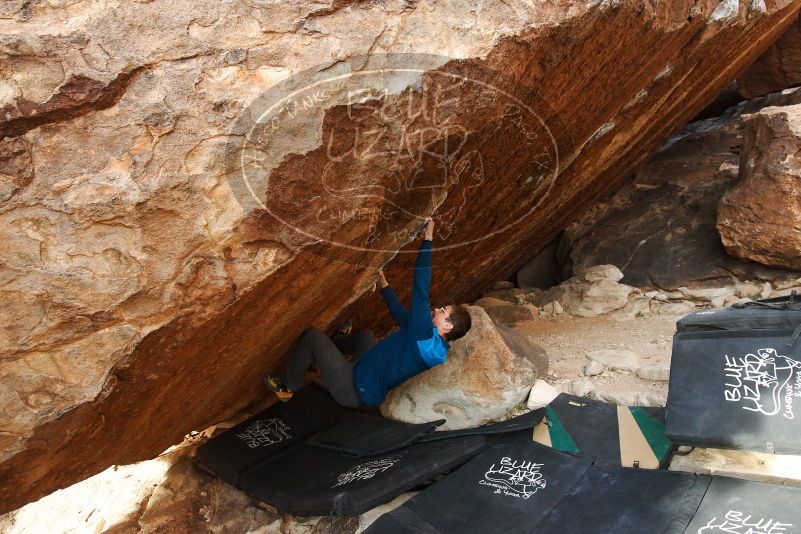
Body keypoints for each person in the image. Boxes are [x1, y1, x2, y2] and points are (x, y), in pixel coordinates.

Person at [263, 218, 472, 407]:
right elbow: (401, 318)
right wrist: (385, 286)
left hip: (352, 387)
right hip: (365, 375)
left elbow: (421, 287)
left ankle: (289, 386)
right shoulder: (433, 346)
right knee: (365, 336)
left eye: (443, 311)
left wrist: (428, 238)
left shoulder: (423, 335)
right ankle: (334, 347)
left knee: (312, 336)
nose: (437, 309)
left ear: (448, 326)